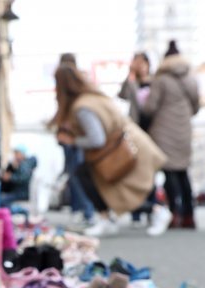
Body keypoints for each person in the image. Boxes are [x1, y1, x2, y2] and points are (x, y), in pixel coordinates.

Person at [52, 64, 166, 238]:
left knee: (123, 191)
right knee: (116, 188)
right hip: (127, 144)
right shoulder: (92, 96)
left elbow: (97, 139)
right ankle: (108, 218)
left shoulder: (82, 107)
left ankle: (158, 212)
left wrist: (73, 140)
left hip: (122, 150)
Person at [143, 40, 200, 229]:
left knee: (169, 174)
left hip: (163, 131)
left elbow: (151, 107)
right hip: (184, 130)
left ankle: (174, 213)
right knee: (183, 173)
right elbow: (196, 106)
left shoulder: (160, 79)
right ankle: (189, 215)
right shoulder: (191, 79)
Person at [119, 52, 172, 236]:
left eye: (143, 63)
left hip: (153, 132)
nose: (140, 66)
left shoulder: (155, 81)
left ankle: (152, 210)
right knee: (134, 173)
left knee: (149, 174)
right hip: (135, 131)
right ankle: (136, 213)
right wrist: (131, 76)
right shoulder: (132, 81)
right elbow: (123, 95)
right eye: (137, 62)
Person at [57, 53, 94, 225]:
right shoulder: (80, 83)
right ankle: (84, 210)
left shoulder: (71, 84)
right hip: (73, 137)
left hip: (75, 138)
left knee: (77, 174)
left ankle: (88, 211)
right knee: (76, 175)